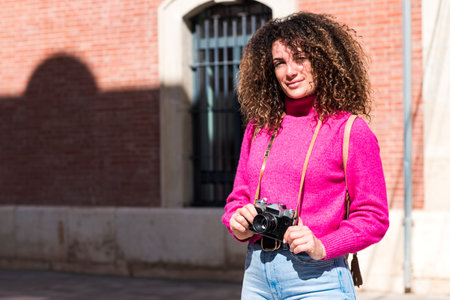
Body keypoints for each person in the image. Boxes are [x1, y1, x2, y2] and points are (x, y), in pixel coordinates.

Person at [221, 12, 389, 299]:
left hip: (318, 278)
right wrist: (238, 222)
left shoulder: (349, 130)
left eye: (301, 58)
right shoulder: (258, 128)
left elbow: (373, 216)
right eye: (280, 62)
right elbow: (239, 198)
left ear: (323, 60)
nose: (290, 71)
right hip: (256, 276)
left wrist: (322, 245)